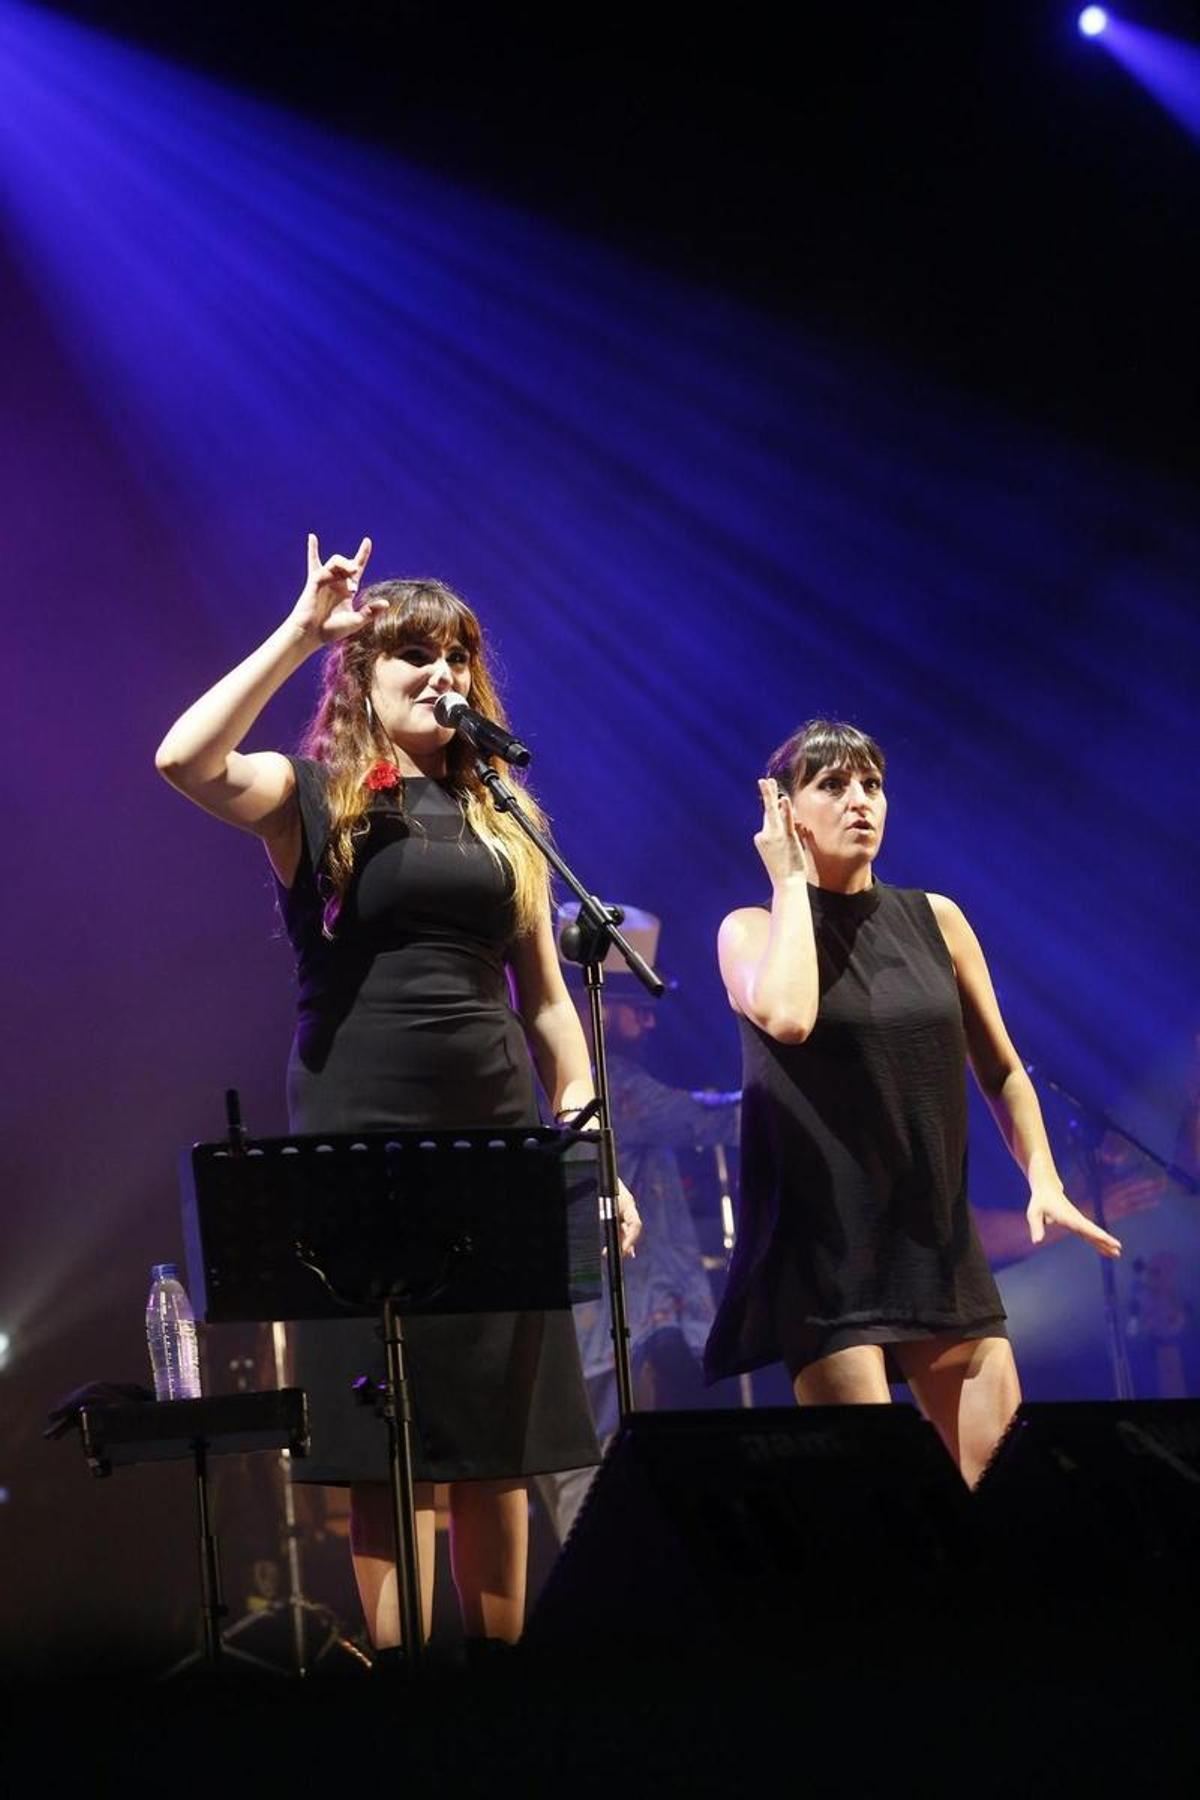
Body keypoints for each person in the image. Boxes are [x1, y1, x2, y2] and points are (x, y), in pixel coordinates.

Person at [155, 532, 640, 1652]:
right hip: (361, 1136)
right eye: (413, 654)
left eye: (457, 657)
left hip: (498, 1143)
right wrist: (298, 631)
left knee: (495, 1435)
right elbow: (184, 760)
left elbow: (552, 1009)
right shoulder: (312, 796)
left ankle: (506, 1686)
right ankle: (408, 1703)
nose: (442, 674)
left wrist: (584, 1151)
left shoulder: (503, 818)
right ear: (363, 679)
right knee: (393, 1436)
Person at [703, 718, 1120, 1486]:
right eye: (832, 785)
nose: (860, 801)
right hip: (828, 1257)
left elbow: (1002, 1070)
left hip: (936, 1243)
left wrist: (1044, 1178)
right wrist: (791, 881)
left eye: (872, 784)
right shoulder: (750, 929)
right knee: (887, 1513)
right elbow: (791, 1016)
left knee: (1007, 1490)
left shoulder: (938, 919)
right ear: (786, 812)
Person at [537, 908, 740, 1542]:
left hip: (622, 1305)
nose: (648, 1020)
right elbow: (699, 1121)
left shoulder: (595, 1077)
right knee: (589, 1458)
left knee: (610, 1452)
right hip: (597, 1301)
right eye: (633, 1005)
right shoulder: (606, 1082)